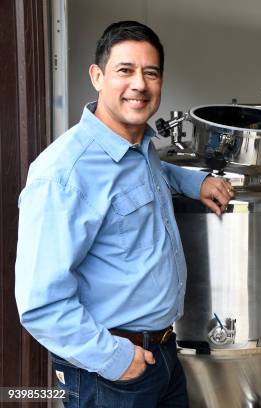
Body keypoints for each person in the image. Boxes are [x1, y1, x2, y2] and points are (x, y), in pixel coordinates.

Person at [14, 21, 233, 407]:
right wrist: (115, 360)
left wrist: (191, 182)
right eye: (125, 70)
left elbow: (151, 176)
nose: (140, 84)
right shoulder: (63, 174)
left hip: (163, 353)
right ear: (97, 76)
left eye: (151, 73)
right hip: (112, 372)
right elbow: (40, 304)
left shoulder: (141, 146)